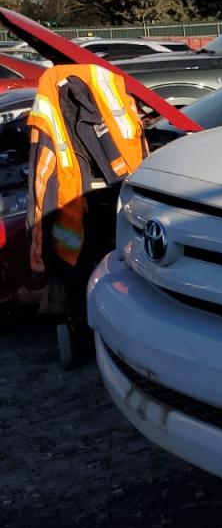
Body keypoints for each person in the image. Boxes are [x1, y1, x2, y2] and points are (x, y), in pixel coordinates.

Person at [27, 64, 148, 367]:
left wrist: (37, 259)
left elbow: (41, 186)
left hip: (74, 213)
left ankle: (83, 332)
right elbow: (140, 149)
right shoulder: (114, 95)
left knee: (81, 278)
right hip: (122, 204)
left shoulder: (49, 111)